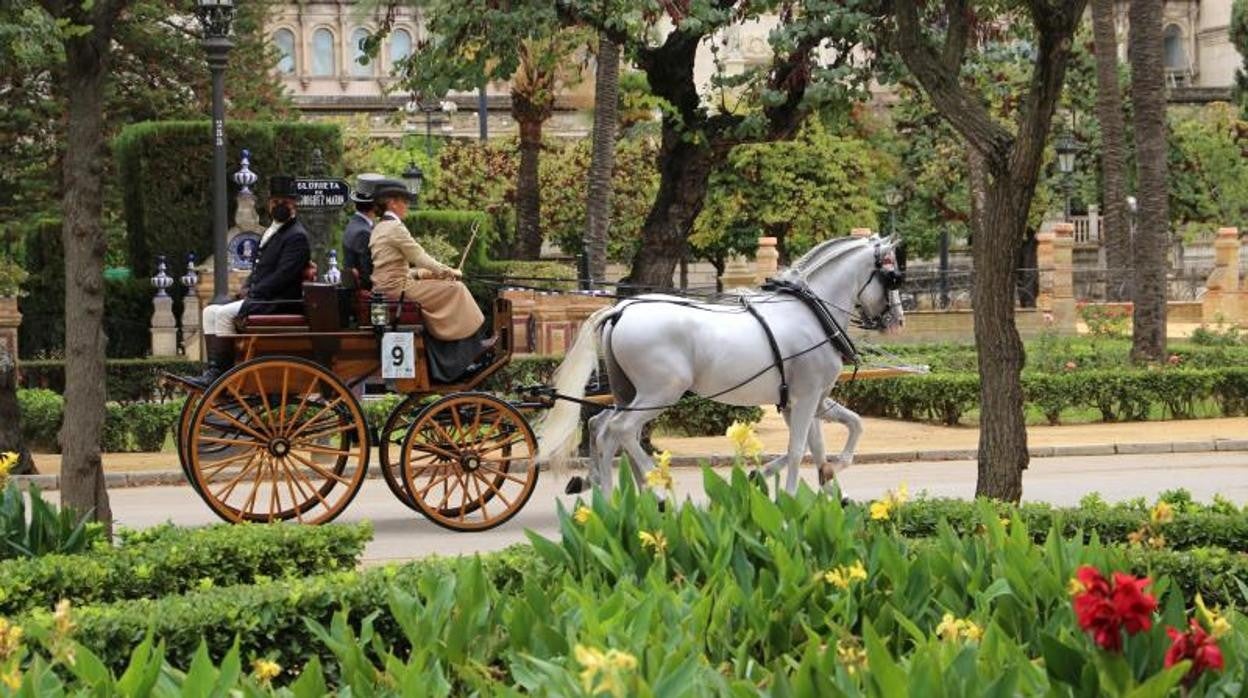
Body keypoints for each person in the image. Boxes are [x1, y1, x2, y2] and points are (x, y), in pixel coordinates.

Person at [183, 175, 312, 387]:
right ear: (269, 204)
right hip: (263, 296)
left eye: (285, 202)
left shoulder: (296, 236)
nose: (279, 206)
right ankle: (214, 369)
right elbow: (260, 268)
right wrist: (246, 287)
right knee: (209, 311)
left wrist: (254, 292)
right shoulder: (273, 231)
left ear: (294, 204)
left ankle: (221, 375)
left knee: (224, 314)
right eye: (275, 202)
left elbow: (283, 276)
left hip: (278, 301)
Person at [368, 179, 485, 341]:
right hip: (398, 289)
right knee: (455, 288)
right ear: (392, 203)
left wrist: (422, 274)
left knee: (445, 284)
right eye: (405, 201)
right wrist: (448, 271)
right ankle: (472, 345)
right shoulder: (395, 227)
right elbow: (419, 256)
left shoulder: (379, 227)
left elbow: (391, 267)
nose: (407, 205)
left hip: (386, 287)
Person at [341, 172, 384, 289]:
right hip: (364, 298)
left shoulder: (354, 223)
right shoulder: (363, 233)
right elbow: (367, 276)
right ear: (376, 205)